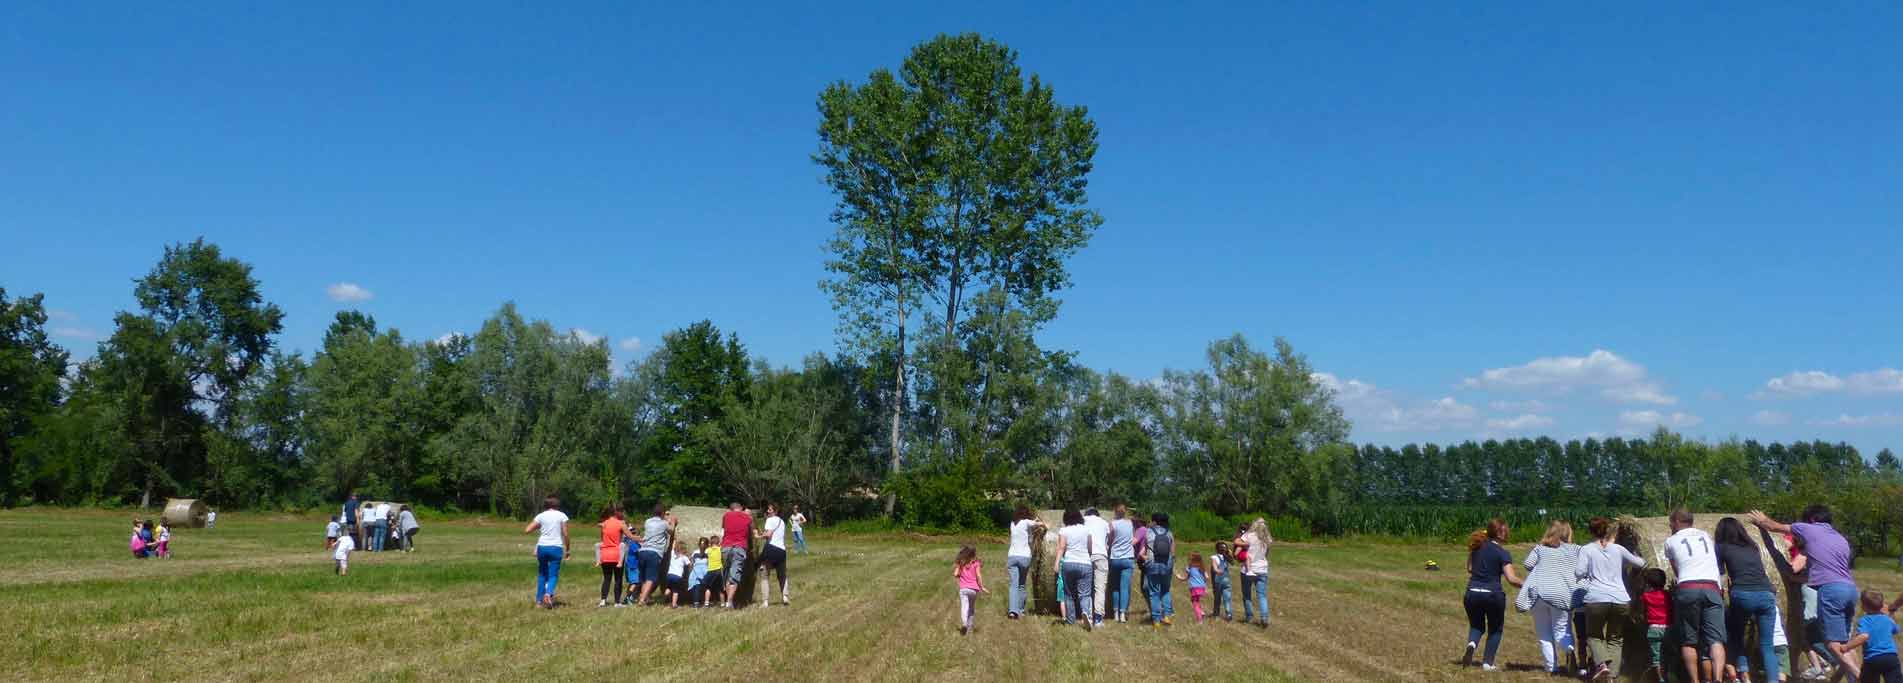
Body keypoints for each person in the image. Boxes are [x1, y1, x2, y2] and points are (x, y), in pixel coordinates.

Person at [1752, 506, 1861, 681]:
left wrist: (1761, 520)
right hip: (1850, 589)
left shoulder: (1808, 528)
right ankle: (1852, 678)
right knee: (1845, 645)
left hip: (1831, 591)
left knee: (1832, 644)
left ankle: (1860, 676)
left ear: (1810, 519)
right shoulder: (1839, 538)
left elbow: (1773, 527)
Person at [1575, 516, 1646, 681]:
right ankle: (1612, 677)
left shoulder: (1587, 550)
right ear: (1607, 530)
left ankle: (1602, 666)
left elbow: (1579, 572)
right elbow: (1640, 563)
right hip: (1620, 599)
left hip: (1596, 598)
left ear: (1590, 531)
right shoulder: (1618, 549)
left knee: (1594, 635)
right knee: (1615, 639)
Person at [1663, 509, 1728, 681]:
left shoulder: (1670, 541)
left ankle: (1694, 680)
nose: (1670, 525)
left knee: (1689, 640)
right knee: (1716, 640)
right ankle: (1718, 678)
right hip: (1712, 588)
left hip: (1688, 587)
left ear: (1677, 521)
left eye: (1671, 522)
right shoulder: (1706, 536)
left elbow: (1676, 570)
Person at [1716, 516, 1781, 681]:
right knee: (1767, 645)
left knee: (1736, 635)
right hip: (1766, 594)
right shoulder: (1753, 546)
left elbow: (1720, 573)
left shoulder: (1722, 547)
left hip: (1743, 594)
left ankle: (1744, 675)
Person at [1463, 518, 1525, 672]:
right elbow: (1511, 579)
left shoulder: (1476, 547)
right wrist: (1528, 585)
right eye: (1506, 530)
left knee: (1477, 625)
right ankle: (1487, 664)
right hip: (1493, 594)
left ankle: (1471, 644)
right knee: (1495, 629)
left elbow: (1470, 568)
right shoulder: (1502, 553)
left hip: (1472, 592)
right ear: (1500, 533)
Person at [1521, 520, 1581, 675]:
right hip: (1562, 595)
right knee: (1562, 631)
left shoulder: (1540, 549)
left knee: (1544, 634)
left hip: (1539, 594)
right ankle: (1568, 649)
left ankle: (1551, 668)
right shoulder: (1575, 550)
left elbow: (1527, 564)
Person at [524, 495, 570, 609]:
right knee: (553, 574)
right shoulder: (562, 515)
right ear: (557, 506)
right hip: (556, 547)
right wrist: (568, 549)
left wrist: (540, 525)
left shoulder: (541, 516)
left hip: (542, 547)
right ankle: (548, 594)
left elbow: (527, 530)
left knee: (542, 574)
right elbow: (565, 534)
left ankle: (539, 601)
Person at [1847, 591, 1903, 683]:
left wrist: (1847, 647)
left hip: (1872, 658)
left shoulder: (1864, 620)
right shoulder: (1887, 619)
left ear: (1863, 607)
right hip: (1891, 657)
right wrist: (1891, 615)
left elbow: (1863, 636)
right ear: (1882, 606)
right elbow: (1896, 630)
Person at [1052, 508, 1095, 630]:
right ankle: (1086, 613)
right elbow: (1090, 547)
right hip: (1085, 563)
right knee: (1085, 594)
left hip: (1069, 563)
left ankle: (1070, 620)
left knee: (1068, 594)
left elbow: (1061, 547)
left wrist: (1056, 563)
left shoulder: (1064, 530)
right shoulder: (1086, 529)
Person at [633, 504, 677, 606]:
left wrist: (665, 518)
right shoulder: (664, 524)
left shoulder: (647, 521)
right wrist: (673, 522)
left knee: (644, 578)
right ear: (662, 513)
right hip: (654, 552)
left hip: (643, 551)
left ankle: (644, 597)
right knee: (651, 578)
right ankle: (642, 600)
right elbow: (671, 530)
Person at [1005, 506, 1043, 620]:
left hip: (1012, 556)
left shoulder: (1012, 523)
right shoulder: (1026, 522)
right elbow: (1040, 524)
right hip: (1024, 557)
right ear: (1026, 514)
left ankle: (1012, 611)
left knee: (1013, 585)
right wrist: (1042, 523)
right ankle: (1020, 611)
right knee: (1021, 585)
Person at [1234, 518, 1272, 628]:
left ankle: (1249, 616)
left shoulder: (1249, 535)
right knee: (1262, 595)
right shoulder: (1267, 538)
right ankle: (1264, 618)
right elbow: (1267, 554)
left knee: (1247, 595)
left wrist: (1245, 544)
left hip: (1248, 569)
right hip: (1262, 569)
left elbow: (1236, 541)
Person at [596, 505, 632, 607]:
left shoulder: (604, 524)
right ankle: (617, 602)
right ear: (616, 513)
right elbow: (630, 536)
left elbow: (602, 539)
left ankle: (603, 600)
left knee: (607, 578)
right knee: (618, 578)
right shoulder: (620, 523)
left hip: (605, 554)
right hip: (617, 554)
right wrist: (640, 539)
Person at [1145, 512, 1176, 628]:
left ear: (1154, 521)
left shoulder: (1148, 532)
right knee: (1166, 590)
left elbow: (1145, 548)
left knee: (1154, 592)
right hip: (1166, 564)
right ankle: (1167, 615)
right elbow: (1173, 553)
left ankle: (1156, 620)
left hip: (1152, 564)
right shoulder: (1169, 533)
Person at [756, 503, 790, 606]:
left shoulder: (770, 520)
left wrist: (758, 536)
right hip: (782, 551)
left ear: (775, 511)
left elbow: (768, 534)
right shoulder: (782, 522)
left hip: (771, 549)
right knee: (782, 575)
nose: (768, 511)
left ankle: (765, 601)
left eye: (770, 510)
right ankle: (785, 596)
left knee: (764, 575)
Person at [1107, 505, 1137, 624]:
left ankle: (1115, 614)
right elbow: (1132, 538)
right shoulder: (1130, 523)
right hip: (1128, 558)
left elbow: (1110, 540)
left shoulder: (1112, 524)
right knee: (1124, 588)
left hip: (1115, 558)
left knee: (1115, 587)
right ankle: (1123, 614)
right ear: (1125, 513)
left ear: (1115, 512)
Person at [1641, 568, 1671, 681]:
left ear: (1648, 583)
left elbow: (1642, 610)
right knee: (1669, 654)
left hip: (1653, 629)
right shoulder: (1667, 595)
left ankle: (1661, 680)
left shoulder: (1646, 596)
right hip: (1668, 628)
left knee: (1657, 658)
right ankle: (1671, 675)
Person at [1082, 508, 1110, 627]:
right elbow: (1108, 541)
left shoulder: (1082, 520)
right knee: (1099, 588)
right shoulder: (1104, 523)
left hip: (1086, 555)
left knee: (1085, 587)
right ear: (1098, 514)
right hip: (1101, 555)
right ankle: (1098, 619)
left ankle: (1087, 614)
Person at [720, 502, 751, 609]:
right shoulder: (746, 516)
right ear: (741, 508)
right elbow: (752, 529)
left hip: (725, 548)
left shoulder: (726, 516)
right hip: (739, 547)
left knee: (727, 574)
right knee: (734, 576)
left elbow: (723, 528)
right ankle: (729, 602)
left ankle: (729, 602)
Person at [954, 544, 987, 635]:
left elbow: (955, 574)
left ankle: (964, 623)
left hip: (964, 589)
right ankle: (970, 629)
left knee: (964, 607)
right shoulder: (976, 563)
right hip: (974, 590)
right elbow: (978, 576)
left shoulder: (961, 563)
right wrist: (982, 587)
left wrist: (959, 569)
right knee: (971, 609)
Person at [1175, 552, 1209, 623]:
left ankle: (1200, 619)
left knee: (1195, 603)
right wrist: (1205, 585)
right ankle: (1201, 612)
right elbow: (1207, 577)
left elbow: (1185, 578)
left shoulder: (1189, 568)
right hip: (1202, 587)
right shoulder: (1202, 568)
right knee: (1196, 600)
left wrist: (1179, 577)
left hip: (1194, 588)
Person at [1210, 541, 1235, 621]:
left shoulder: (1214, 557)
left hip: (1218, 580)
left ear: (1216, 549)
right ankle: (1229, 613)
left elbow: (1214, 568)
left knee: (1217, 597)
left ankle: (1216, 614)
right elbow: (1233, 562)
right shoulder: (1227, 557)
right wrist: (1229, 553)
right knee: (1227, 598)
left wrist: (1217, 571)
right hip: (1226, 580)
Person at [666, 541, 692, 608]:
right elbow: (690, 565)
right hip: (677, 577)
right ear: (684, 549)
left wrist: (674, 540)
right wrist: (690, 558)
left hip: (669, 575)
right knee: (675, 591)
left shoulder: (672, 554)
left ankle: (667, 594)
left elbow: (672, 546)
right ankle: (674, 604)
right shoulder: (684, 557)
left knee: (669, 587)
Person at [689, 538, 711, 608]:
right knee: (696, 586)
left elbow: (709, 563)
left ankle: (705, 603)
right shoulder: (695, 552)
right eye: (701, 544)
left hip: (705, 571)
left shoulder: (708, 552)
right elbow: (692, 563)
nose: (702, 546)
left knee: (706, 587)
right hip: (696, 571)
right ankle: (696, 603)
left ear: (707, 545)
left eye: (704, 544)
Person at [702, 534, 723, 607]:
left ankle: (706, 603)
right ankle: (723, 603)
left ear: (710, 542)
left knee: (708, 587)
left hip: (710, 570)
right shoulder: (720, 549)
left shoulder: (708, 550)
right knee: (720, 588)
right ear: (718, 542)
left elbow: (705, 556)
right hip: (719, 570)